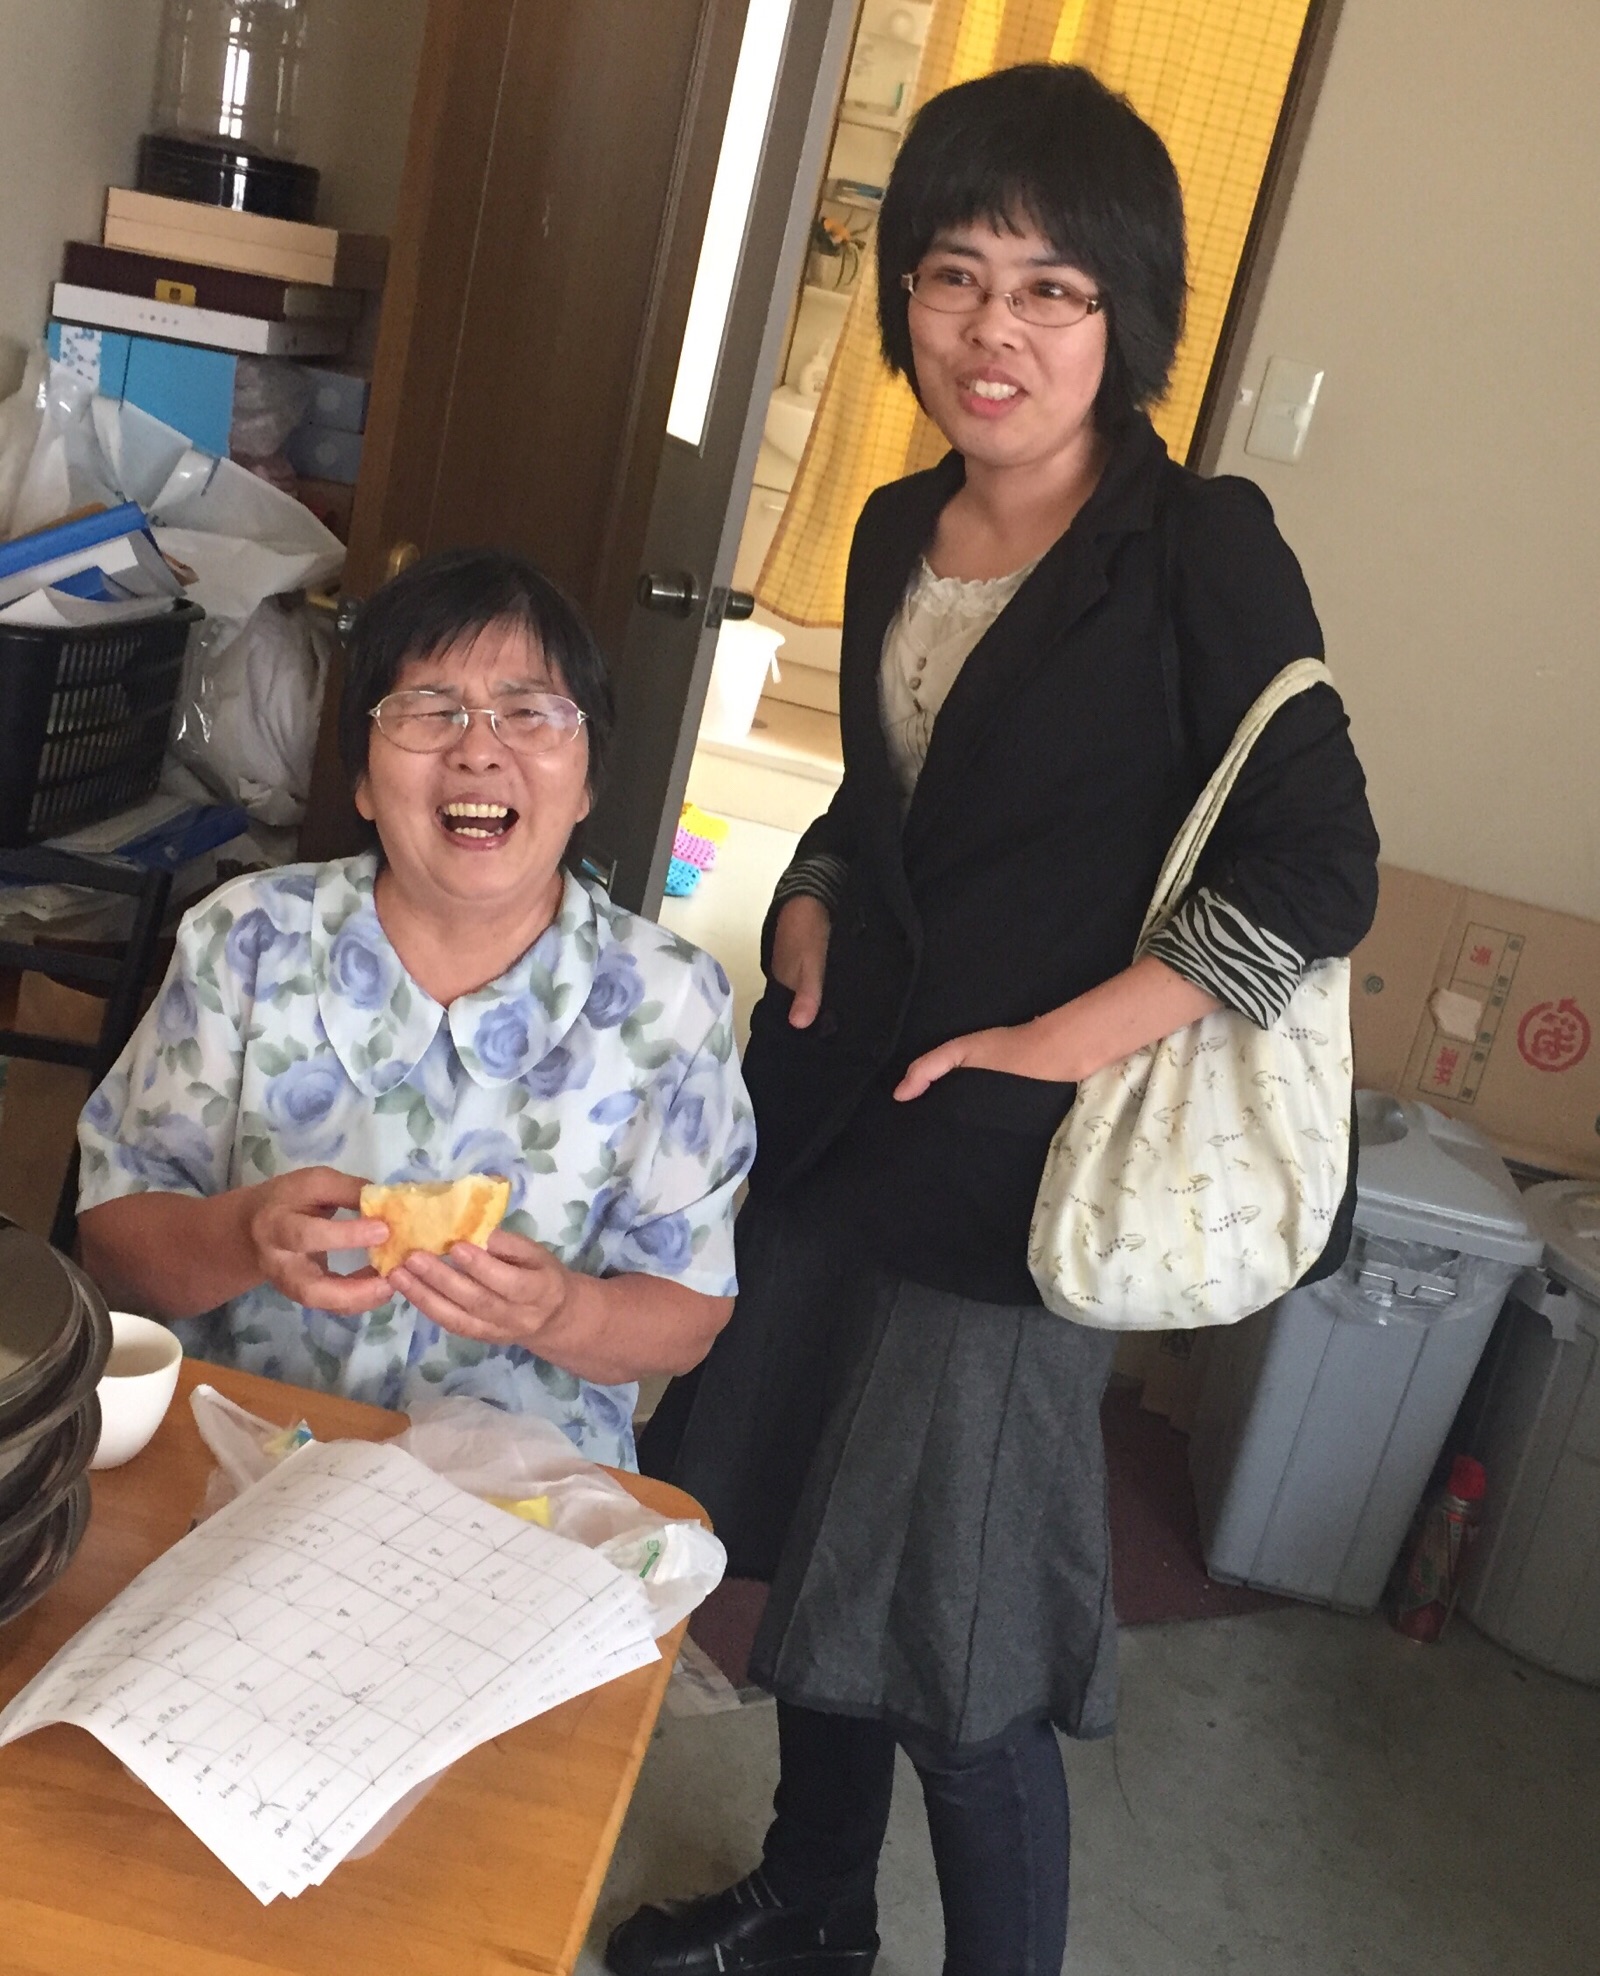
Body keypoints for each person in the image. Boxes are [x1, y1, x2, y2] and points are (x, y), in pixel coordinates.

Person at [611, 63, 1379, 1976]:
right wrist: (810, 893)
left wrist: (1065, 1039)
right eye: (954, 276)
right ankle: (811, 1906)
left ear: (1126, 316)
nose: (993, 331)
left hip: (1022, 1180)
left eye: (1051, 288)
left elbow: (1319, 863)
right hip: (844, 1120)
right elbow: (889, 806)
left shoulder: (1198, 547)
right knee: (814, 1552)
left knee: (956, 1654)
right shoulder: (892, 527)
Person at [76, 549, 755, 1467]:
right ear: (361, 779)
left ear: (588, 781)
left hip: (521, 1489)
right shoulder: (247, 939)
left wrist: (563, 1310)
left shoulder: (672, 1002)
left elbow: (689, 1315)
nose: (478, 749)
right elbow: (113, 1240)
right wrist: (242, 1236)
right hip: (244, 1458)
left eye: (529, 712)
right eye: (429, 710)